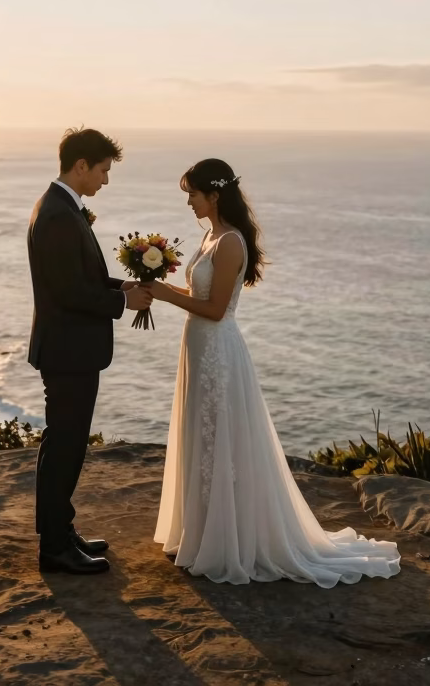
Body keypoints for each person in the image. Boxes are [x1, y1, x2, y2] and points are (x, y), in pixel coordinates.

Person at [149, 158, 401, 586]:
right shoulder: (210, 235)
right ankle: (202, 532)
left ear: (214, 194)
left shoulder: (229, 242)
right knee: (202, 435)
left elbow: (213, 309)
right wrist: (156, 288)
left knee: (220, 439)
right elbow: (196, 293)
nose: (188, 201)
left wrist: (165, 297)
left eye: (193, 193)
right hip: (198, 348)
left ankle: (229, 539)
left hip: (218, 352)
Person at [27, 127, 153, 574]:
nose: (105, 180)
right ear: (81, 165)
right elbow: (69, 291)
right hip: (68, 352)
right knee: (65, 447)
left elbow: (82, 278)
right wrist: (122, 302)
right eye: (102, 170)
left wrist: (123, 286)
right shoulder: (59, 215)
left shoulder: (61, 206)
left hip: (68, 349)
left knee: (65, 444)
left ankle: (61, 532)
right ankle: (55, 549)